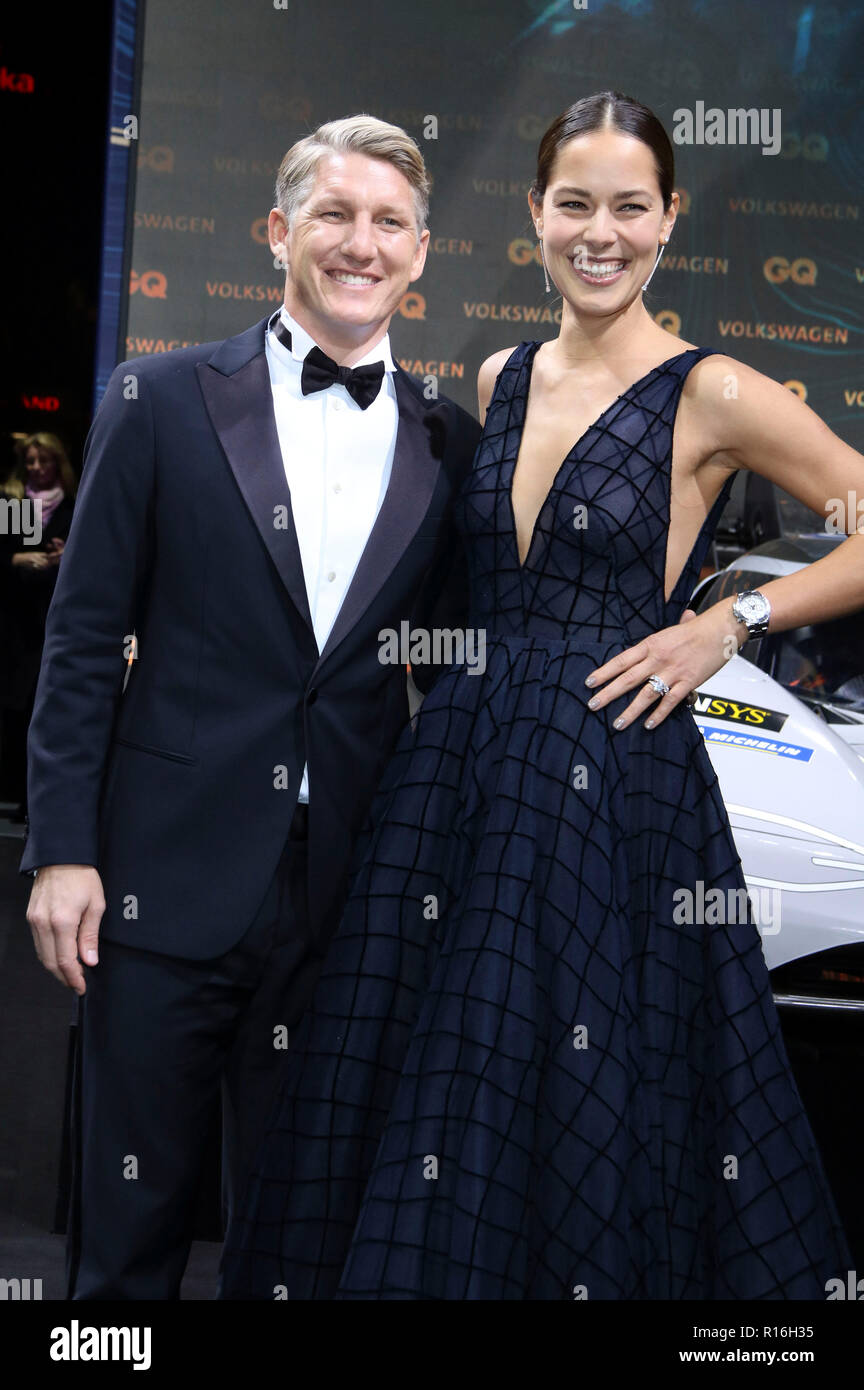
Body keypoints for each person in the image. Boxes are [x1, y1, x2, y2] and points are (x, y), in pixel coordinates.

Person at [219, 90, 859, 1300]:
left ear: (670, 219)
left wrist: (732, 622)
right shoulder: (501, 371)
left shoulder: (710, 388)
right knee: (441, 1085)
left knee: (579, 1095)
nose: (599, 232)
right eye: (575, 203)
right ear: (535, 214)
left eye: (630, 206)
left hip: (610, 786)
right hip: (455, 776)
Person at [20, 115, 481, 1300]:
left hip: (346, 904)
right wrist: (62, 850)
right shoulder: (162, 397)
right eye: (334, 214)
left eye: (389, 224)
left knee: (296, 1249)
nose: (359, 244)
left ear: (423, 254)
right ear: (279, 230)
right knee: (126, 1242)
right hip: (160, 882)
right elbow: (79, 640)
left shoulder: (450, 441)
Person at [0, 433, 76, 820]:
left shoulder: (75, 504)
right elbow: (13, 557)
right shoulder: (17, 503)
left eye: (42, 461)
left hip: (55, 622)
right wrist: (18, 559)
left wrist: (70, 557)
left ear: (56, 463)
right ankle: (13, 794)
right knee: (13, 709)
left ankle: (34, 802)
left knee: (42, 710)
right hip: (17, 624)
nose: (35, 468)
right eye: (29, 462)